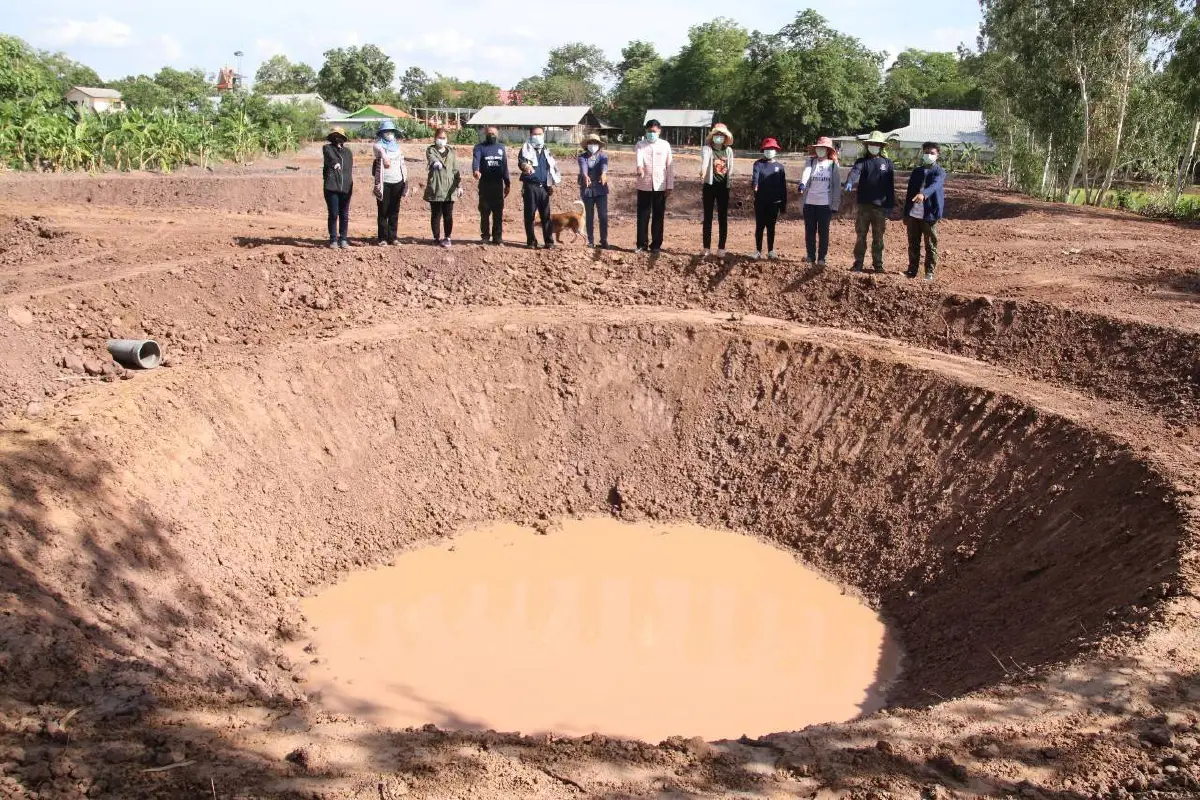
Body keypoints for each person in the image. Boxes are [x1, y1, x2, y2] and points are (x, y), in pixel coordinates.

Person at [844, 130, 896, 272]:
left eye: (876, 144)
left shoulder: (887, 163)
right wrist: (849, 181)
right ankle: (858, 263)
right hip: (864, 206)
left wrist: (890, 205)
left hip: (880, 207)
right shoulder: (862, 162)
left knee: (878, 237)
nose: (874, 146)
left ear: (881, 146)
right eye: (871, 144)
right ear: (868, 146)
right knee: (861, 235)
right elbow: (855, 171)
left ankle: (878, 265)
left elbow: (890, 186)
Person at [904, 141, 947, 281]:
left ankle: (929, 272)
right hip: (914, 214)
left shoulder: (939, 172)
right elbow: (909, 192)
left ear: (937, 155)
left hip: (929, 214)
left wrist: (924, 194)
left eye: (932, 153)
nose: (928, 155)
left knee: (930, 244)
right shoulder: (917, 172)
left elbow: (935, 185)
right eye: (926, 152)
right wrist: (906, 213)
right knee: (913, 244)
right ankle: (912, 270)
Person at [797, 136, 842, 267]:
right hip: (810, 203)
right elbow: (806, 173)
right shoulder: (811, 162)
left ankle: (822, 258)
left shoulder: (833, 165)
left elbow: (837, 186)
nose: (820, 151)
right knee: (809, 232)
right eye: (819, 148)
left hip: (825, 205)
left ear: (828, 151)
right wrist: (802, 184)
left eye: (823, 148)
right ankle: (810, 256)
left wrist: (835, 204)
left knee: (823, 233)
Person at [517, 126, 561, 249]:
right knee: (530, 215)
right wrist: (526, 166)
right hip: (530, 187)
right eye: (535, 134)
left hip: (544, 187)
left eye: (540, 134)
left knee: (546, 215)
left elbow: (550, 168)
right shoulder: (526, 149)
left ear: (543, 135)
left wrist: (550, 185)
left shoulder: (546, 150)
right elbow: (521, 162)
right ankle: (531, 242)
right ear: (530, 135)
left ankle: (549, 242)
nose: (538, 136)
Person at [635, 119, 674, 252]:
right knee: (642, 216)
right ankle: (641, 244)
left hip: (661, 185)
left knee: (658, 216)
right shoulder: (640, 144)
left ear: (659, 131)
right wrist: (639, 167)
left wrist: (670, 185)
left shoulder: (665, 145)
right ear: (646, 131)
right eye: (649, 131)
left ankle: (656, 245)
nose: (652, 133)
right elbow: (639, 158)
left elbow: (669, 166)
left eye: (654, 131)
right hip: (644, 184)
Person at [699, 123, 735, 258]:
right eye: (717, 134)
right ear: (712, 136)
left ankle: (721, 248)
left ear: (725, 137)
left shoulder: (728, 151)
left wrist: (729, 183)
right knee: (708, 217)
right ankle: (706, 247)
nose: (719, 137)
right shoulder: (707, 149)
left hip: (723, 188)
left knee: (722, 218)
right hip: (709, 186)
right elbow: (705, 162)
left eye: (721, 135)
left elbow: (730, 169)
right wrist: (702, 172)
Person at [423, 127, 462, 248]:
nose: (441, 140)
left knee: (448, 215)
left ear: (447, 139)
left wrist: (459, 186)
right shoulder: (431, 150)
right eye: (439, 138)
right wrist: (435, 163)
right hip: (436, 187)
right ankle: (436, 237)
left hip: (449, 188)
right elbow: (432, 159)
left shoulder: (451, 152)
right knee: (436, 214)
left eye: (443, 138)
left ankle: (447, 237)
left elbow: (456, 170)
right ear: (435, 139)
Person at [371, 120, 408, 247]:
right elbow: (377, 148)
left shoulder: (397, 147)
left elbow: (402, 164)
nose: (389, 134)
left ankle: (393, 237)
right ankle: (382, 238)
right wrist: (384, 155)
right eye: (386, 132)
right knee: (383, 211)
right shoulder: (378, 146)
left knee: (394, 210)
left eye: (391, 131)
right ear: (382, 133)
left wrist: (405, 180)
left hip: (397, 181)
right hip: (384, 182)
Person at [472, 125, 510, 244]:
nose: (491, 135)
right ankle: (485, 236)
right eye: (489, 133)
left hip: (498, 185)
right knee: (484, 212)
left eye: (493, 133)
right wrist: (476, 170)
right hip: (485, 186)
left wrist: (507, 183)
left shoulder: (501, 148)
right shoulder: (479, 147)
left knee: (498, 213)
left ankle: (497, 237)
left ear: (497, 135)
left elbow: (504, 167)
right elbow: (476, 160)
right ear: (485, 134)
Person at [751, 137, 788, 260]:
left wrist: (783, 204)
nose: (769, 151)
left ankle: (771, 251)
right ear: (763, 150)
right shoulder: (758, 164)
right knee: (760, 227)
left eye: (772, 149)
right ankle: (758, 251)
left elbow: (783, 187)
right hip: (761, 202)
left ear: (776, 150)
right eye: (767, 149)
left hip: (774, 202)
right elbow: (755, 176)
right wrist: (755, 184)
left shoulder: (780, 167)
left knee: (771, 227)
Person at [322, 127, 353, 249]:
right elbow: (330, 158)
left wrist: (349, 184)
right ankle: (333, 239)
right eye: (334, 136)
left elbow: (349, 170)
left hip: (346, 187)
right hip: (331, 186)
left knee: (344, 214)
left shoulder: (348, 152)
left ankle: (343, 239)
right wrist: (335, 163)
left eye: (339, 136)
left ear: (343, 138)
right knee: (333, 214)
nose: (337, 138)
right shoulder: (327, 148)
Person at [577, 133, 609, 248]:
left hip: (601, 189)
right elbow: (583, 167)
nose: (593, 145)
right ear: (587, 145)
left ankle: (604, 240)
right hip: (587, 190)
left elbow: (604, 166)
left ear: (599, 145)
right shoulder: (582, 157)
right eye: (590, 143)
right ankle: (590, 240)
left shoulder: (603, 156)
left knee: (603, 216)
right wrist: (585, 175)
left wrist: (604, 173)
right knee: (589, 216)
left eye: (595, 143)